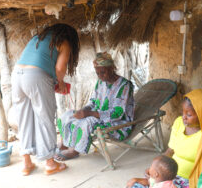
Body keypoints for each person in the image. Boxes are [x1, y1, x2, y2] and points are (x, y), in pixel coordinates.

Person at [11, 23, 80, 176]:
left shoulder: (37, 37)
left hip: (16, 75)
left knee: (24, 119)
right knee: (45, 118)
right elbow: (60, 69)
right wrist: (60, 83)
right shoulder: (64, 43)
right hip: (36, 76)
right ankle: (50, 163)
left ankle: (27, 163)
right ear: (69, 36)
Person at [128, 89, 202, 188]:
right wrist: (155, 168)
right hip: (169, 176)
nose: (184, 117)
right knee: (134, 185)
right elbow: (170, 150)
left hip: (194, 181)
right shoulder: (179, 123)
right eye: (183, 112)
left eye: (189, 115)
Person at [55, 52, 134, 161]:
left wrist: (89, 114)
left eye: (103, 72)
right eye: (98, 73)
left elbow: (118, 113)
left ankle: (75, 150)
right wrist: (82, 110)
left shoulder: (125, 85)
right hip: (100, 117)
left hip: (118, 124)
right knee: (68, 114)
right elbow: (93, 102)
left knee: (89, 121)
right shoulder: (101, 83)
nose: (100, 76)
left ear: (112, 68)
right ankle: (64, 143)